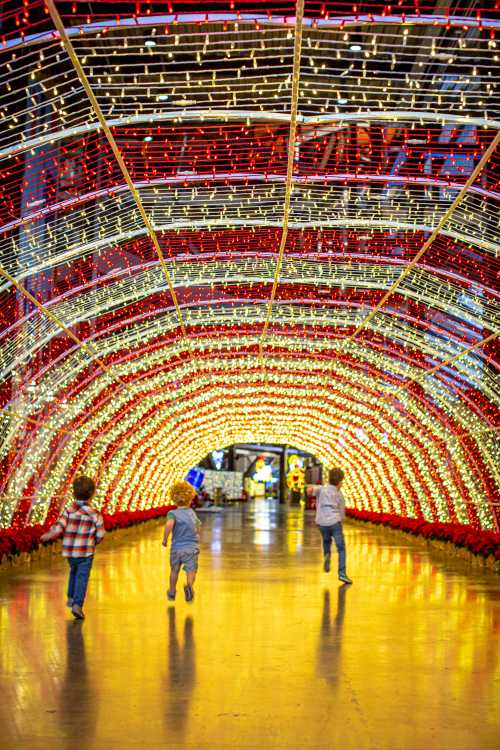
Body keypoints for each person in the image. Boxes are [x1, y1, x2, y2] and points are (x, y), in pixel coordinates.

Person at [41, 475, 105, 619]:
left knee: (73, 572)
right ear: (92, 494)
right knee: (82, 577)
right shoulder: (95, 514)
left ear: (73, 493)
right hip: (86, 552)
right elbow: (100, 534)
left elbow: (59, 528)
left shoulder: (68, 511)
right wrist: (94, 541)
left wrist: (49, 535)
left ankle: (70, 597)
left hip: (70, 553)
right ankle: (77, 604)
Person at [162, 481, 201, 603]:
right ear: (190, 498)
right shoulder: (192, 513)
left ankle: (172, 591)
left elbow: (169, 525)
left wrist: (165, 539)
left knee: (174, 570)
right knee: (191, 570)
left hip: (177, 548)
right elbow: (198, 526)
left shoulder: (172, 514)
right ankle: (189, 586)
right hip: (191, 548)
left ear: (173, 498)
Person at [315, 468, 352, 584]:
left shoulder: (321, 490)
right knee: (341, 548)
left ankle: (327, 556)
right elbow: (341, 514)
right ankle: (342, 573)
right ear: (340, 481)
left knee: (326, 541)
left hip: (321, 522)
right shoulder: (339, 495)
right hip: (334, 522)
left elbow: (311, 490)